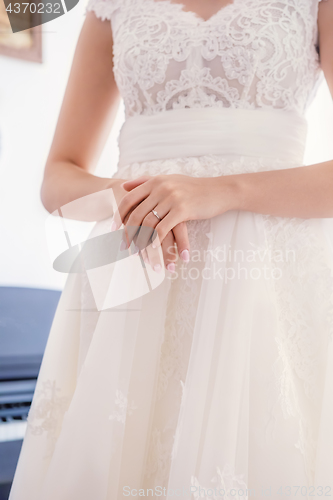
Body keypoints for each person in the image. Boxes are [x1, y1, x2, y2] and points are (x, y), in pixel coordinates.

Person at [9, 0, 333, 499]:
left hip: (265, 277)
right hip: (135, 270)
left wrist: (223, 190)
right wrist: (126, 195)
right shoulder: (111, 6)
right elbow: (58, 178)